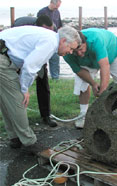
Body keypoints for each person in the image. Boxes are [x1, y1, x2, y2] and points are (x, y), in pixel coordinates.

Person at [0, 25, 81, 153]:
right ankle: (29, 142)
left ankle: (14, 137)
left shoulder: (49, 37)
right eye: (71, 48)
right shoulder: (50, 43)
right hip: (2, 59)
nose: (70, 52)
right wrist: (24, 89)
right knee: (19, 100)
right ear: (63, 41)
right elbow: (30, 66)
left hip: (3, 54)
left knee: (6, 101)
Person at [64, 28, 117, 128]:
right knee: (81, 83)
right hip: (89, 62)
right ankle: (83, 114)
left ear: (85, 43)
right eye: (75, 51)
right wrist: (93, 84)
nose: (79, 54)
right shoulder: (67, 52)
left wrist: (103, 89)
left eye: (80, 49)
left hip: (113, 53)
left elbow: (104, 66)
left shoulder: (96, 40)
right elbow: (79, 71)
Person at [13, 15, 58, 127]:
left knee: (43, 82)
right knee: (16, 84)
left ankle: (46, 115)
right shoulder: (22, 25)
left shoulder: (53, 30)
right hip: (19, 53)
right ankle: (19, 119)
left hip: (39, 53)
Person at [37, 0, 62, 80]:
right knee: (42, 60)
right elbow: (38, 26)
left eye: (58, 7)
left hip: (54, 38)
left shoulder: (57, 12)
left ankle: (55, 78)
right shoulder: (42, 12)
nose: (57, 8)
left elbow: (59, 25)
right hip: (44, 39)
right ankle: (41, 78)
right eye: (56, 6)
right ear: (52, 3)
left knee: (55, 59)